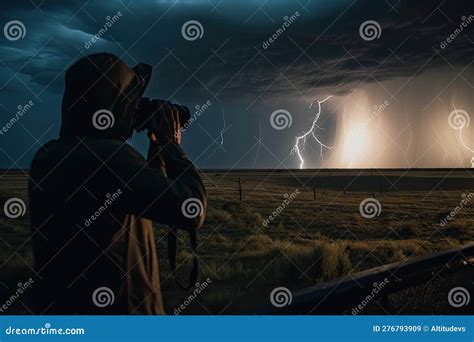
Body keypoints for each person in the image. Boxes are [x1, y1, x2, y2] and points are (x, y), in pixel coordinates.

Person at [28, 53, 206, 314]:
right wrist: (172, 146)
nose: (135, 111)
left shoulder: (49, 156)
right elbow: (191, 208)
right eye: (129, 103)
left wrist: (156, 151)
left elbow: (137, 196)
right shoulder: (109, 159)